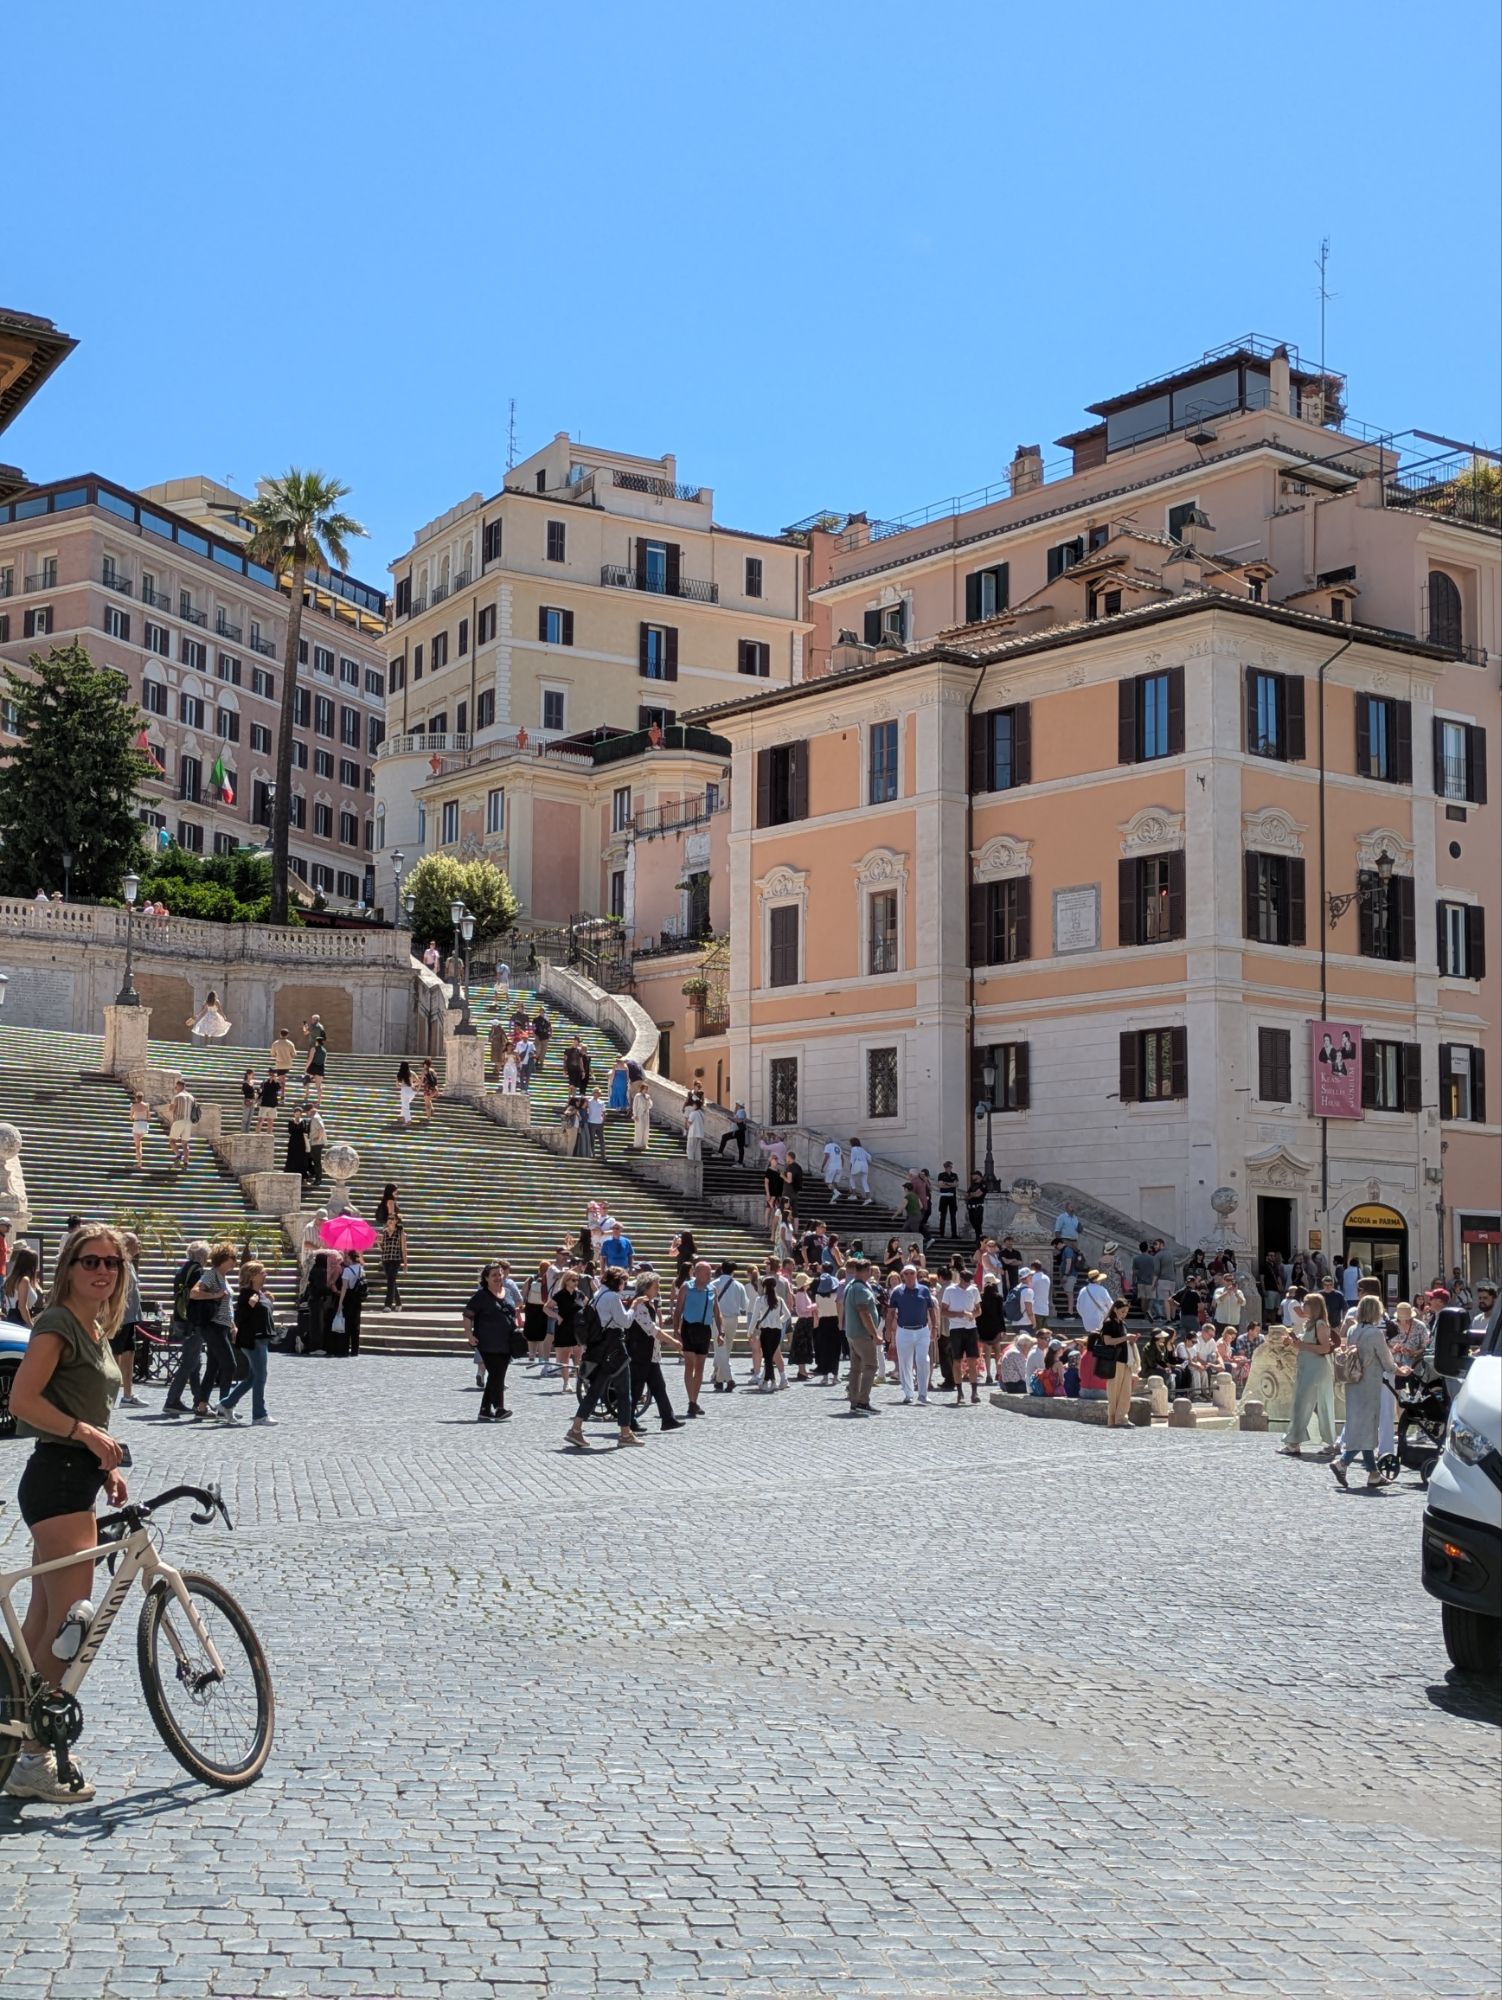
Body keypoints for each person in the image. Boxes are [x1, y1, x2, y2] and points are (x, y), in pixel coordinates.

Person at [5, 1222, 132, 1802]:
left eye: (111, 1262)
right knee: (70, 1629)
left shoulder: (95, 1327)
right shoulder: (58, 1323)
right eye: (90, 1261)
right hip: (56, 1482)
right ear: (67, 1269)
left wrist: (106, 1464)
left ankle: (16, 1743)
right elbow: (23, 1400)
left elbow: (82, 1410)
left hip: (71, 1481)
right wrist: (86, 1434)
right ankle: (35, 1758)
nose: (102, 1270)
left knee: (42, 1624)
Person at [567, 1268, 641, 1449]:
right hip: (614, 1347)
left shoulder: (598, 1294)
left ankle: (576, 1428)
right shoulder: (613, 1297)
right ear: (618, 1282)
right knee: (624, 1391)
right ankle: (625, 1433)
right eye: (624, 1282)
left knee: (595, 1390)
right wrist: (634, 1306)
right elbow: (625, 1322)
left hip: (599, 1347)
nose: (625, 1285)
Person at [1331, 1297, 1399, 1490]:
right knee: (1368, 1426)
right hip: (1370, 1383)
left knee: (1361, 1426)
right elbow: (1386, 1362)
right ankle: (1343, 1462)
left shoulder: (1353, 1330)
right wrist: (1399, 1370)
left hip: (1354, 1383)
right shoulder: (1375, 1334)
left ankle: (1373, 1473)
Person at [192, 1244, 246, 1419]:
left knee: (213, 1367)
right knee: (230, 1365)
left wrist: (232, 1325)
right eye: (233, 1258)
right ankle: (225, 1405)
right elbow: (194, 1293)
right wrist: (214, 1295)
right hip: (213, 1326)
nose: (235, 1262)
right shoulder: (211, 1275)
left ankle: (201, 1407)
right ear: (224, 1258)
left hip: (222, 1326)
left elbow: (226, 1304)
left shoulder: (223, 1277)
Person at [218, 1262, 276, 1425]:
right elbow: (240, 1317)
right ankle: (259, 1415)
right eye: (262, 1272)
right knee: (261, 1376)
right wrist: (250, 1304)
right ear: (252, 1276)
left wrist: (269, 1300)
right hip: (253, 1340)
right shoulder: (246, 1294)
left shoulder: (260, 1293)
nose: (265, 1274)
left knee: (252, 1377)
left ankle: (226, 1404)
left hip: (261, 1339)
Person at [1281, 1292, 1337, 1458]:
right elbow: (1306, 1344)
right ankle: (1296, 1441)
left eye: (1306, 1303)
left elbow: (1325, 1348)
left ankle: (1295, 1442)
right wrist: (1293, 1342)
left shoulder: (1320, 1324)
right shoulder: (1310, 1324)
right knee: (1301, 1402)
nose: (1303, 1306)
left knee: (1305, 1403)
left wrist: (1302, 1345)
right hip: (1307, 1367)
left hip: (1316, 1369)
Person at [463, 1263, 520, 1422]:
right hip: (486, 1341)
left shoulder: (507, 1292)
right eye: (494, 1275)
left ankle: (485, 1410)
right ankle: (499, 1408)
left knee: (497, 1375)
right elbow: (468, 1315)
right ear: (486, 1278)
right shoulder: (481, 1296)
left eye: (500, 1274)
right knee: (497, 1374)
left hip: (506, 1342)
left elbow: (512, 1312)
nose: (497, 1277)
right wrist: (469, 1335)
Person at [625, 1277, 683, 1432]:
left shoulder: (648, 1304)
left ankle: (668, 1419)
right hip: (640, 1353)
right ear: (646, 1287)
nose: (658, 1289)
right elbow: (652, 1329)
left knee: (659, 1386)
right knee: (636, 1388)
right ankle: (628, 1421)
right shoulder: (639, 1305)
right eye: (656, 1286)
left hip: (650, 1354)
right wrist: (673, 1342)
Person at [673, 1260, 722, 1417]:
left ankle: (694, 1401)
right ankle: (690, 1400)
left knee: (700, 1366)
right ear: (697, 1273)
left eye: (710, 1273)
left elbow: (717, 1312)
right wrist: (676, 1330)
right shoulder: (687, 1287)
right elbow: (678, 1309)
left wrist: (720, 1332)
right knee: (689, 1364)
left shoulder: (712, 1289)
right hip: (689, 1328)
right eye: (707, 1273)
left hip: (704, 1329)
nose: (710, 1276)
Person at [886, 1264, 937, 1406]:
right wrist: (888, 1329)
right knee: (905, 1363)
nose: (909, 1276)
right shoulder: (897, 1292)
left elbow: (931, 1310)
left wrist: (935, 1327)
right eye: (906, 1273)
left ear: (916, 1275)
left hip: (922, 1330)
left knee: (923, 1361)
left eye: (912, 1273)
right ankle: (908, 1393)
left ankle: (923, 1393)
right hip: (904, 1330)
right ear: (903, 1275)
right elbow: (890, 1312)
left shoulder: (924, 1290)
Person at [840, 1255, 880, 1413]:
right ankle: (863, 1401)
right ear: (867, 1271)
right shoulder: (861, 1288)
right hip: (862, 1334)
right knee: (871, 1366)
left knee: (856, 1369)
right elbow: (864, 1312)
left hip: (852, 1333)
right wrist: (875, 1334)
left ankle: (854, 1401)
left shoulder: (850, 1285)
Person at [941, 1266, 982, 1405]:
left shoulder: (974, 1290)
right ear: (960, 1280)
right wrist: (960, 1314)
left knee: (972, 1360)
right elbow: (943, 1311)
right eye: (965, 1282)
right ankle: (959, 1392)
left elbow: (979, 1310)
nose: (966, 1285)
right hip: (956, 1328)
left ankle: (974, 1392)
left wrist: (973, 1315)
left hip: (971, 1328)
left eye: (969, 1282)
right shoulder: (950, 1290)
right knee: (957, 1361)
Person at [3, 1244, 41, 1330]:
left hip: (11, 1320)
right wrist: (31, 1325)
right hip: (21, 1323)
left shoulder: (11, 1278)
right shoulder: (24, 1280)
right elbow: (22, 1307)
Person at [378, 1204, 407, 1311]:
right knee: (392, 1281)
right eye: (389, 1218)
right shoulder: (384, 1232)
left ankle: (388, 1305)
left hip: (396, 1259)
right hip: (385, 1259)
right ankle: (398, 1303)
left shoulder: (401, 1233)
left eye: (392, 1219)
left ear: (396, 1221)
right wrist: (378, 1242)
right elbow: (383, 1249)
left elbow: (404, 1249)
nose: (390, 1220)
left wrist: (405, 1264)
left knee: (390, 1281)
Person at [787, 1273, 816, 1381]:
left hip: (807, 1321)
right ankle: (801, 1370)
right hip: (804, 1321)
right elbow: (804, 1308)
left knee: (805, 1346)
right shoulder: (800, 1294)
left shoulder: (803, 1293)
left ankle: (803, 1370)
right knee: (802, 1346)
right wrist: (815, 1306)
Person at [167, 1078, 196, 1171]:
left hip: (179, 1120)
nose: (176, 1088)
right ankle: (186, 1162)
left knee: (172, 1141)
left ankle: (179, 1156)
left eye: (176, 1086)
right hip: (189, 1122)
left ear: (179, 1086)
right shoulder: (192, 1097)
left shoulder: (177, 1096)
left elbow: (171, 1109)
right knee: (185, 1143)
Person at [302, 1014, 328, 1100]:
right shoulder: (321, 1027)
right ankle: (319, 1100)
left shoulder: (313, 1026)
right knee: (319, 1085)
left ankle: (307, 1093)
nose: (311, 1020)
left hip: (312, 1048)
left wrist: (304, 1027)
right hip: (320, 1065)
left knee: (307, 1076)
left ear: (315, 1020)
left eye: (312, 1019)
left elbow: (305, 1032)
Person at [934, 1162, 960, 1239]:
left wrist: (947, 1184)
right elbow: (941, 1185)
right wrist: (951, 1184)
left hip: (952, 1197)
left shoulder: (954, 1175)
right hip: (944, 1197)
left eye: (949, 1166)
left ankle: (954, 1234)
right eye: (946, 1167)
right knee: (943, 1215)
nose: (948, 1168)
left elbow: (956, 1184)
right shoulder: (941, 1175)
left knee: (953, 1216)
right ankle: (941, 1233)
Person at [256, 1064, 283, 1136]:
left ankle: (269, 1135)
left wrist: (276, 1081)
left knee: (271, 1121)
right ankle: (257, 1135)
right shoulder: (265, 1082)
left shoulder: (277, 1083)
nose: (273, 1075)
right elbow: (263, 1091)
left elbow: (279, 1090)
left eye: (274, 1073)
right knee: (261, 1120)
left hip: (273, 1104)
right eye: (271, 1073)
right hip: (265, 1103)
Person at [847, 1138, 873, 1206]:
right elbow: (869, 1157)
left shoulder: (853, 1149)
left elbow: (852, 1160)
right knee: (864, 1181)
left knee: (852, 1178)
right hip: (865, 1165)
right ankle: (868, 1198)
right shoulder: (862, 1149)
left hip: (857, 1164)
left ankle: (854, 1194)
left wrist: (850, 1168)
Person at [585, 1089, 608, 1162]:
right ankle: (592, 1154)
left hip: (599, 1123)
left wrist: (603, 1120)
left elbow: (604, 1112)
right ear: (593, 1093)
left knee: (602, 1140)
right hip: (591, 1122)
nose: (598, 1094)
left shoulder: (602, 1102)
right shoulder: (589, 1101)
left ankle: (603, 1155)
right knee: (592, 1139)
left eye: (599, 1093)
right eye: (597, 1093)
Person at [683, 1097, 706, 1162]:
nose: (692, 1106)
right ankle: (697, 1163)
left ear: (696, 1105)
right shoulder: (702, 1113)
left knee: (690, 1149)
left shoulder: (693, 1113)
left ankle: (691, 1163)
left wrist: (686, 1121)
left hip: (693, 1134)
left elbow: (689, 1123)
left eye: (693, 1105)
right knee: (697, 1151)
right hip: (700, 1134)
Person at [396, 1061, 416, 1126]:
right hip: (412, 1091)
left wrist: (402, 1085)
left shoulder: (400, 1073)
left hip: (404, 1090)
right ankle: (401, 1115)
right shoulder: (412, 1073)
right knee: (405, 1104)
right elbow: (419, 1081)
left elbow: (397, 1085)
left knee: (405, 1106)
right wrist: (412, 1085)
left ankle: (408, 1121)